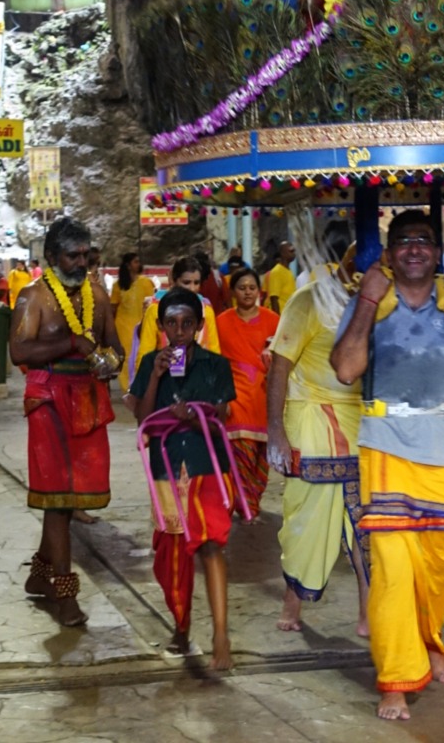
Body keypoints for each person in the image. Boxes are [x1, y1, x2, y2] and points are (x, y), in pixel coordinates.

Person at [330, 210, 444, 722]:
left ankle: (428, 639)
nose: (413, 249)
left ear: (437, 252)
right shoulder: (372, 299)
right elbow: (345, 369)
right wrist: (367, 297)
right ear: (388, 252)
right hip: (385, 444)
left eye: (423, 241)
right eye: (403, 241)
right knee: (392, 569)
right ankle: (395, 678)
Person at [8, 216, 123, 626]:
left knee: (69, 499)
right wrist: (72, 342)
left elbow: (114, 345)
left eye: (85, 255)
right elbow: (19, 351)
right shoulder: (33, 297)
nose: (81, 263)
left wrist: (111, 362)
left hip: (89, 400)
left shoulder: (97, 292)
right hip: (48, 401)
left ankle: (40, 577)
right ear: (52, 257)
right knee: (57, 499)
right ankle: (65, 594)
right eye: (72, 255)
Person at [128, 287, 237, 669]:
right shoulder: (148, 366)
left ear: (199, 326)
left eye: (186, 323)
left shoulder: (215, 365)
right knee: (171, 555)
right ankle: (181, 628)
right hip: (166, 466)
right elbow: (142, 417)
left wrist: (195, 415)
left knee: (210, 545)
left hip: (206, 464)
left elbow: (222, 413)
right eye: (171, 324)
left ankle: (221, 634)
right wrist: (156, 375)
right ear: (160, 327)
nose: (179, 331)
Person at [266, 254, 369, 635]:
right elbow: (280, 365)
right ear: (343, 260)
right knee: (306, 517)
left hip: (361, 420)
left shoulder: (379, 304)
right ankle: (292, 605)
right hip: (310, 417)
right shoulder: (308, 300)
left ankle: (367, 615)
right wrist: (275, 429)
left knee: (366, 521)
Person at [216, 267, 279, 520]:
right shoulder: (221, 322)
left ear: (260, 292)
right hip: (236, 396)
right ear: (233, 292)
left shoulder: (273, 319)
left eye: (252, 288)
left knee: (260, 460)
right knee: (240, 455)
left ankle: (251, 501)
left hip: (264, 396)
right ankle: (246, 506)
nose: (247, 292)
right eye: (242, 288)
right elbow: (214, 361)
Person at [132, 256, 221, 383]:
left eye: (196, 283)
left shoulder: (206, 311)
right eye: (186, 282)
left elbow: (214, 351)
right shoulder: (155, 311)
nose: (192, 288)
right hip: (164, 383)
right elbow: (144, 355)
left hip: (199, 385)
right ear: (174, 281)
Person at [111, 252, 155, 391]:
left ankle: (140, 386)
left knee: (141, 355)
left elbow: (153, 303)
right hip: (123, 326)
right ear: (128, 265)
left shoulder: (146, 283)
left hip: (142, 324)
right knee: (126, 357)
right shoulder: (118, 285)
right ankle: (128, 388)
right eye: (135, 261)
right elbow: (113, 307)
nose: (138, 264)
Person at [264, 240, 297, 315]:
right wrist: (277, 320)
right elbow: (274, 299)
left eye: (293, 251)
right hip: (281, 318)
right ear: (282, 253)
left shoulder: (288, 271)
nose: (294, 253)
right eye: (291, 250)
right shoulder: (277, 272)